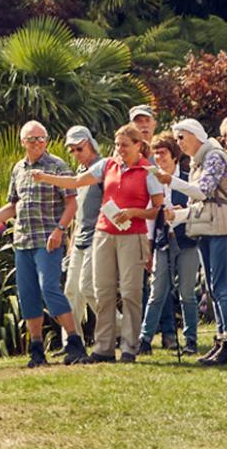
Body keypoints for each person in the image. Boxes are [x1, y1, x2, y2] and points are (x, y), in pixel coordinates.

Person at [32, 124, 163, 363]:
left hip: (133, 236)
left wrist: (134, 212)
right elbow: (75, 182)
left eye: (124, 145)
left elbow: (156, 209)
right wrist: (44, 177)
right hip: (103, 234)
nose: (119, 150)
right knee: (102, 291)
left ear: (138, 145)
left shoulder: (148, 171)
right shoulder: (107, 165)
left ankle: (129, 348)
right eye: (116, 145)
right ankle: (103, 348)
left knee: (131, 292)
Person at [0, 120, 89, 367]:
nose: (37, 143)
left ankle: (75, 344)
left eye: (41, 138)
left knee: (50, 289)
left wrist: (60, 230)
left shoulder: (57, 166)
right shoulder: (18, 169)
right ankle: (36, 349)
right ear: (23, 142)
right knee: (28, 296)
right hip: (23, 240)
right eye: (32, 139)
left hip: (48, 240)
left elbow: (72, 203)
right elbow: (13, 205)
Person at [153, 119, 227, 367]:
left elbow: (203, 191)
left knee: (221, 288)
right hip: (209, 228)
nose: (178, 143)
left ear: (195, 135)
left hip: (221, 230)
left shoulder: (214, 155)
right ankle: (221, 340)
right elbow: (199, 204)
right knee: (214, 289)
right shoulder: (199, 161)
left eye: (181, 137)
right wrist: (179, 216)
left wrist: (170, 181)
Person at [138, 133, 199, 355]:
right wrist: (149, 246)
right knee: (158, 290)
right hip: (164, 242)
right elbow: (151, 217)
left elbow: (198, 207)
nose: (159, 158)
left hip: (187, 241)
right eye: (156, 154)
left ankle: (190, 340)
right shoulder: (153, 181)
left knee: (186, 292)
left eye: (163, 153)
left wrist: (180, 214)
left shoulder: (188, 177)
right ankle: (145, 339)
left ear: (174, 155)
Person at [129, 104, 177, 349]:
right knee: (144, 284)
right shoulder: (128, 156)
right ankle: (143, 334)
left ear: (154, 123)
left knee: (161, 281)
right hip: (137, 228)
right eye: (138, 122)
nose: (143, 126)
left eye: (146, 121)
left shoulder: (161, 153)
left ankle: (168, 333)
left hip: (162, 227)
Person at [60, 126, 105, 346]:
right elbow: (78, 214)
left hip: (99, 237)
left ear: (90, 144)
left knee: (88, 288)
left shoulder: (103, 168)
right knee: (71, 291)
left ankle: (120, 327)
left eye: (80, 147)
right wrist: (70, 243)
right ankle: (72, 341)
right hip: (79, 238)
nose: (77, 153)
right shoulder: (78, 172)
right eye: (73, 149)